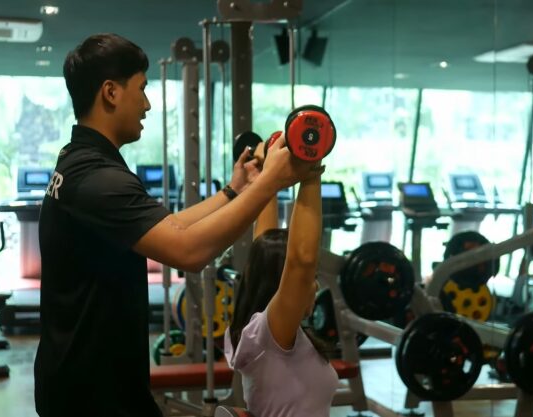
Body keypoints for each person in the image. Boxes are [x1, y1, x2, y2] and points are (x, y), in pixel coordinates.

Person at [34, 33, 322, 417]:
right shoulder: (98, 180)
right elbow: (189, 251)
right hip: (93, 395)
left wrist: (235, 190)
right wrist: (271, 181)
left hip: (92, 382)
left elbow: (169, 228)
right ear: (110, 92)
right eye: (141, 88)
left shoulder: (80, 162)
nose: (148, 104)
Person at [225, 134, 338, 417]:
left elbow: (265, 248)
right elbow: (301, 261)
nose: (313, 285)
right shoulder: (270, 334)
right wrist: (311, 170)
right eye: (309, 280)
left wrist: (267, 174)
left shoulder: (254, 330)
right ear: (280, 284)